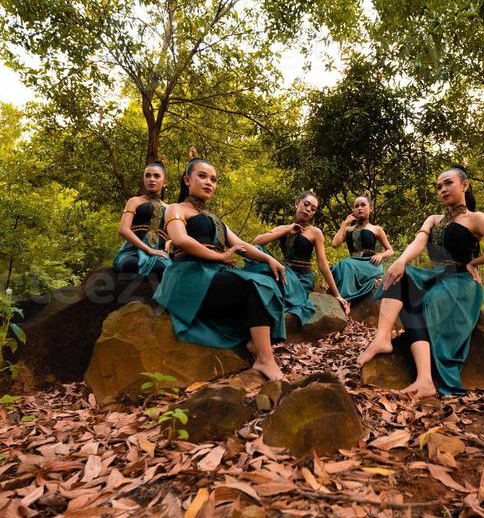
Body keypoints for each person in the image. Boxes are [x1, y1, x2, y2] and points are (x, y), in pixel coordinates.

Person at [358, 167, 484, 398]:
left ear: (464, 185)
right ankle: (384, 340)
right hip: (434, 276)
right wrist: (400, 260)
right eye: (439, 186)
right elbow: (419, 242)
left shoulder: (475, 218)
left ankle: (425, 380)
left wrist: (475, 263)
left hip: (461, 282)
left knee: (424, 301)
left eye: (448, 183)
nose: (442, 189)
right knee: (399, 276)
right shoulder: (434, 219)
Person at [154, 158, 288, 380]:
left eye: (214, 180)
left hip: (213, 275)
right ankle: (265, 359)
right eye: (202, 176)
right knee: (252, 285)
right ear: (187, 180)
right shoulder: (176, 209)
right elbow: (181, 239)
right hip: (188, 277)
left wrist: (269, 260)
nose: (209, 183)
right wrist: (220, 256)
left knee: (267, 277)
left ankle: (256, 344)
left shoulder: (215, 220)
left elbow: (242, 247)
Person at [253, 192, 350, 314]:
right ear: (297, 203)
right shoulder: (282, 228)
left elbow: (322, 264)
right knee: (258, 250)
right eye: (306, 204)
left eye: (313, 209)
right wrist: (288, 229)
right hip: (283, 272)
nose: (308, 209)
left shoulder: (315, 232)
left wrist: (337, 295)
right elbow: (257, 242)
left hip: (301, 278)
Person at [112, 162, 171, 285]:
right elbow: (123, 230)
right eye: (147, 176)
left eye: (156, 176)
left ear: (165, 182)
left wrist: (169, 241)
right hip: (132, 251)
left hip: (159, 254)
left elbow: (174, 234)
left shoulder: (170, 208)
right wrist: (149, 250)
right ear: (143, 179)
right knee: (130, 265)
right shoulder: (134, 201)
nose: (151, 179)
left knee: (163, 269)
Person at [331, 195, 394, 302]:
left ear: (371, 208)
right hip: (353, 264)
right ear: (353, 210)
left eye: (363, 205)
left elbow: (390, 250)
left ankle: (346, 299)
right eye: (356, 206)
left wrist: (380, 255)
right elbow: (335, 244)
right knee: (337, 267)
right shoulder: (348, 229)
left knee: (345, 264)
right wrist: (344, 223)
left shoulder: (376, 229)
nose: (359, 208)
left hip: (370, 264)